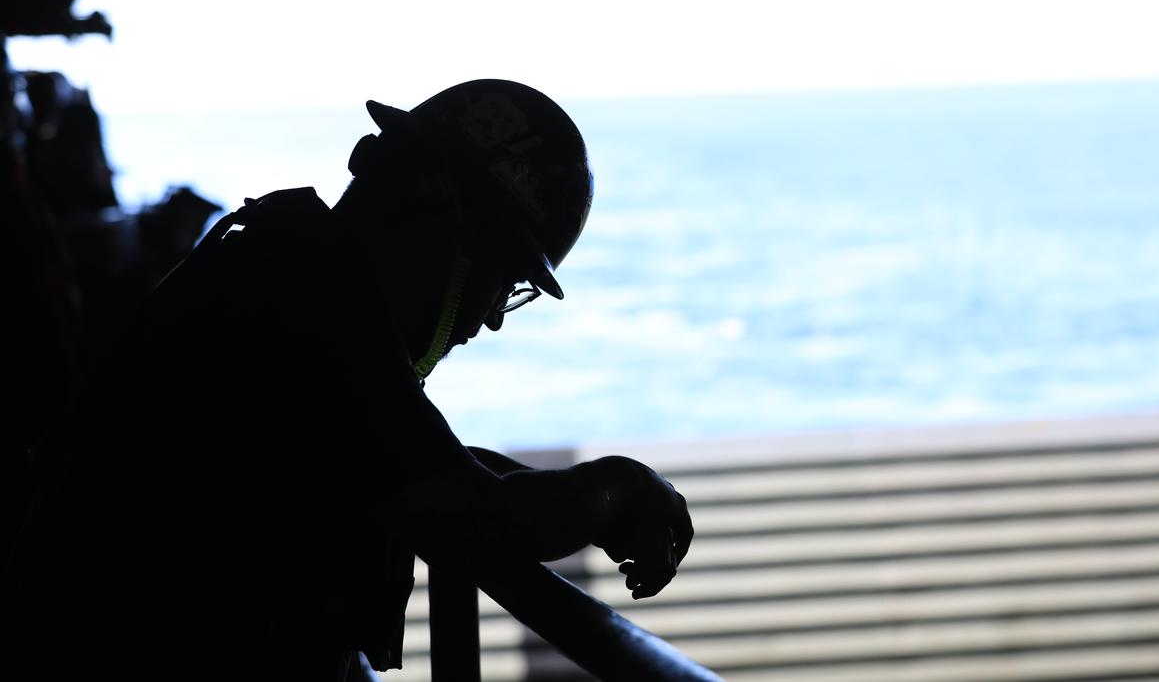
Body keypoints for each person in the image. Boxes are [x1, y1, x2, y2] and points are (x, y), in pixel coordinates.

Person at [3, 79, 694, 679]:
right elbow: (480, 520)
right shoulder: (316, 311)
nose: (490, 320)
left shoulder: (278, 268)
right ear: (449, 231)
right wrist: (620, 486)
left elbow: (403, 459)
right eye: (505, 283)